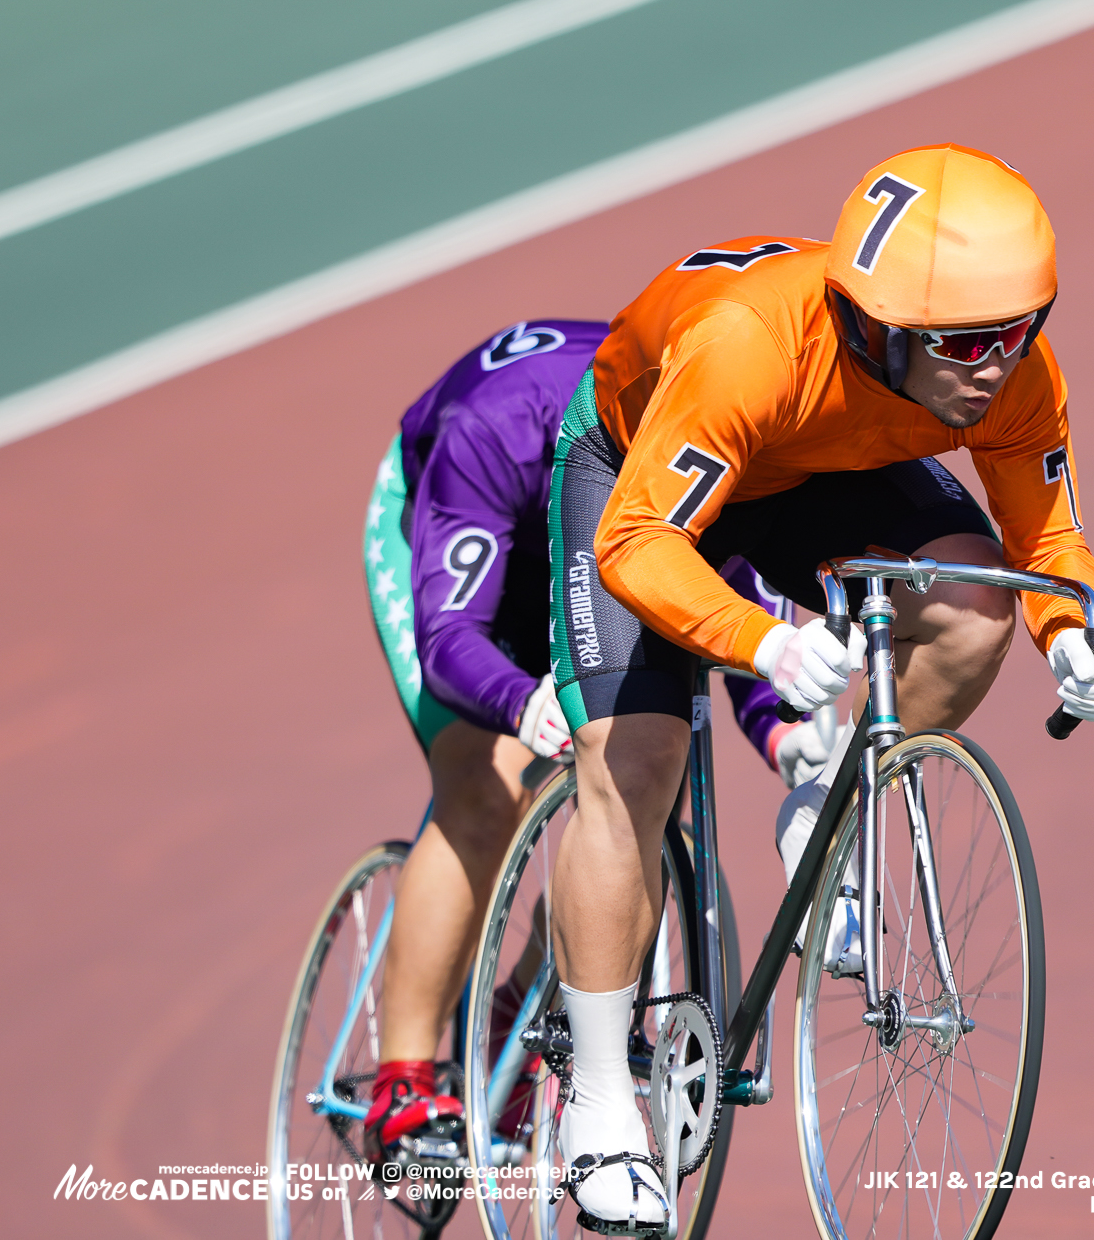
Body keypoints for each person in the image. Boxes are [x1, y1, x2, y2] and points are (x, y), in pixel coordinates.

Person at [541, 144, 1094, 1228]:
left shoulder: (1002, 372)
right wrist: (758, 643)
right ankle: (593, 1096)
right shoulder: (744, 348)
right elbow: (637, 541)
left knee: (970, 608)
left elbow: (1042, 537)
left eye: (1020, 328)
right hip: (643, 468)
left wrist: (1073, 632)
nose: (995, 365)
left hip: (813, 467)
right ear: (874, 323)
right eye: (963, 342)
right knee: (636, 757)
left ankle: (827, 813)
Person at [357, 321, 833, 1166]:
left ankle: (516, 1012)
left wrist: (781, 729)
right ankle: (403, 1079)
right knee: (487, 780)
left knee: (635, 785)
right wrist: (516, 701)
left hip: (598, 548)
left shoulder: (701, 429)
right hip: (464, 542)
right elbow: (448, 637)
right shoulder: (487, 437)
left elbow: (733, 599)